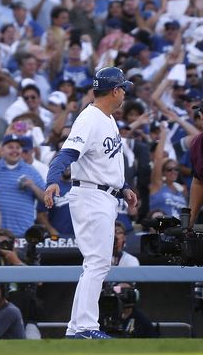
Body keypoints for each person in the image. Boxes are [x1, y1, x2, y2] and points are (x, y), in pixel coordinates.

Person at [44, 66, 138, 339]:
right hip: (91, 195)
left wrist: (125, 188)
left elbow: (105, 162)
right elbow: (66, 154)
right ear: (115, 90)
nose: (124, 93)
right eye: (123, 88)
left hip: (105, 194)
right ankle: (85, 327)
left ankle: (76, 328)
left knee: (96, 263)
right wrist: (52, 180)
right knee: (97, 262)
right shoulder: (90, 117)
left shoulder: (107, 118)